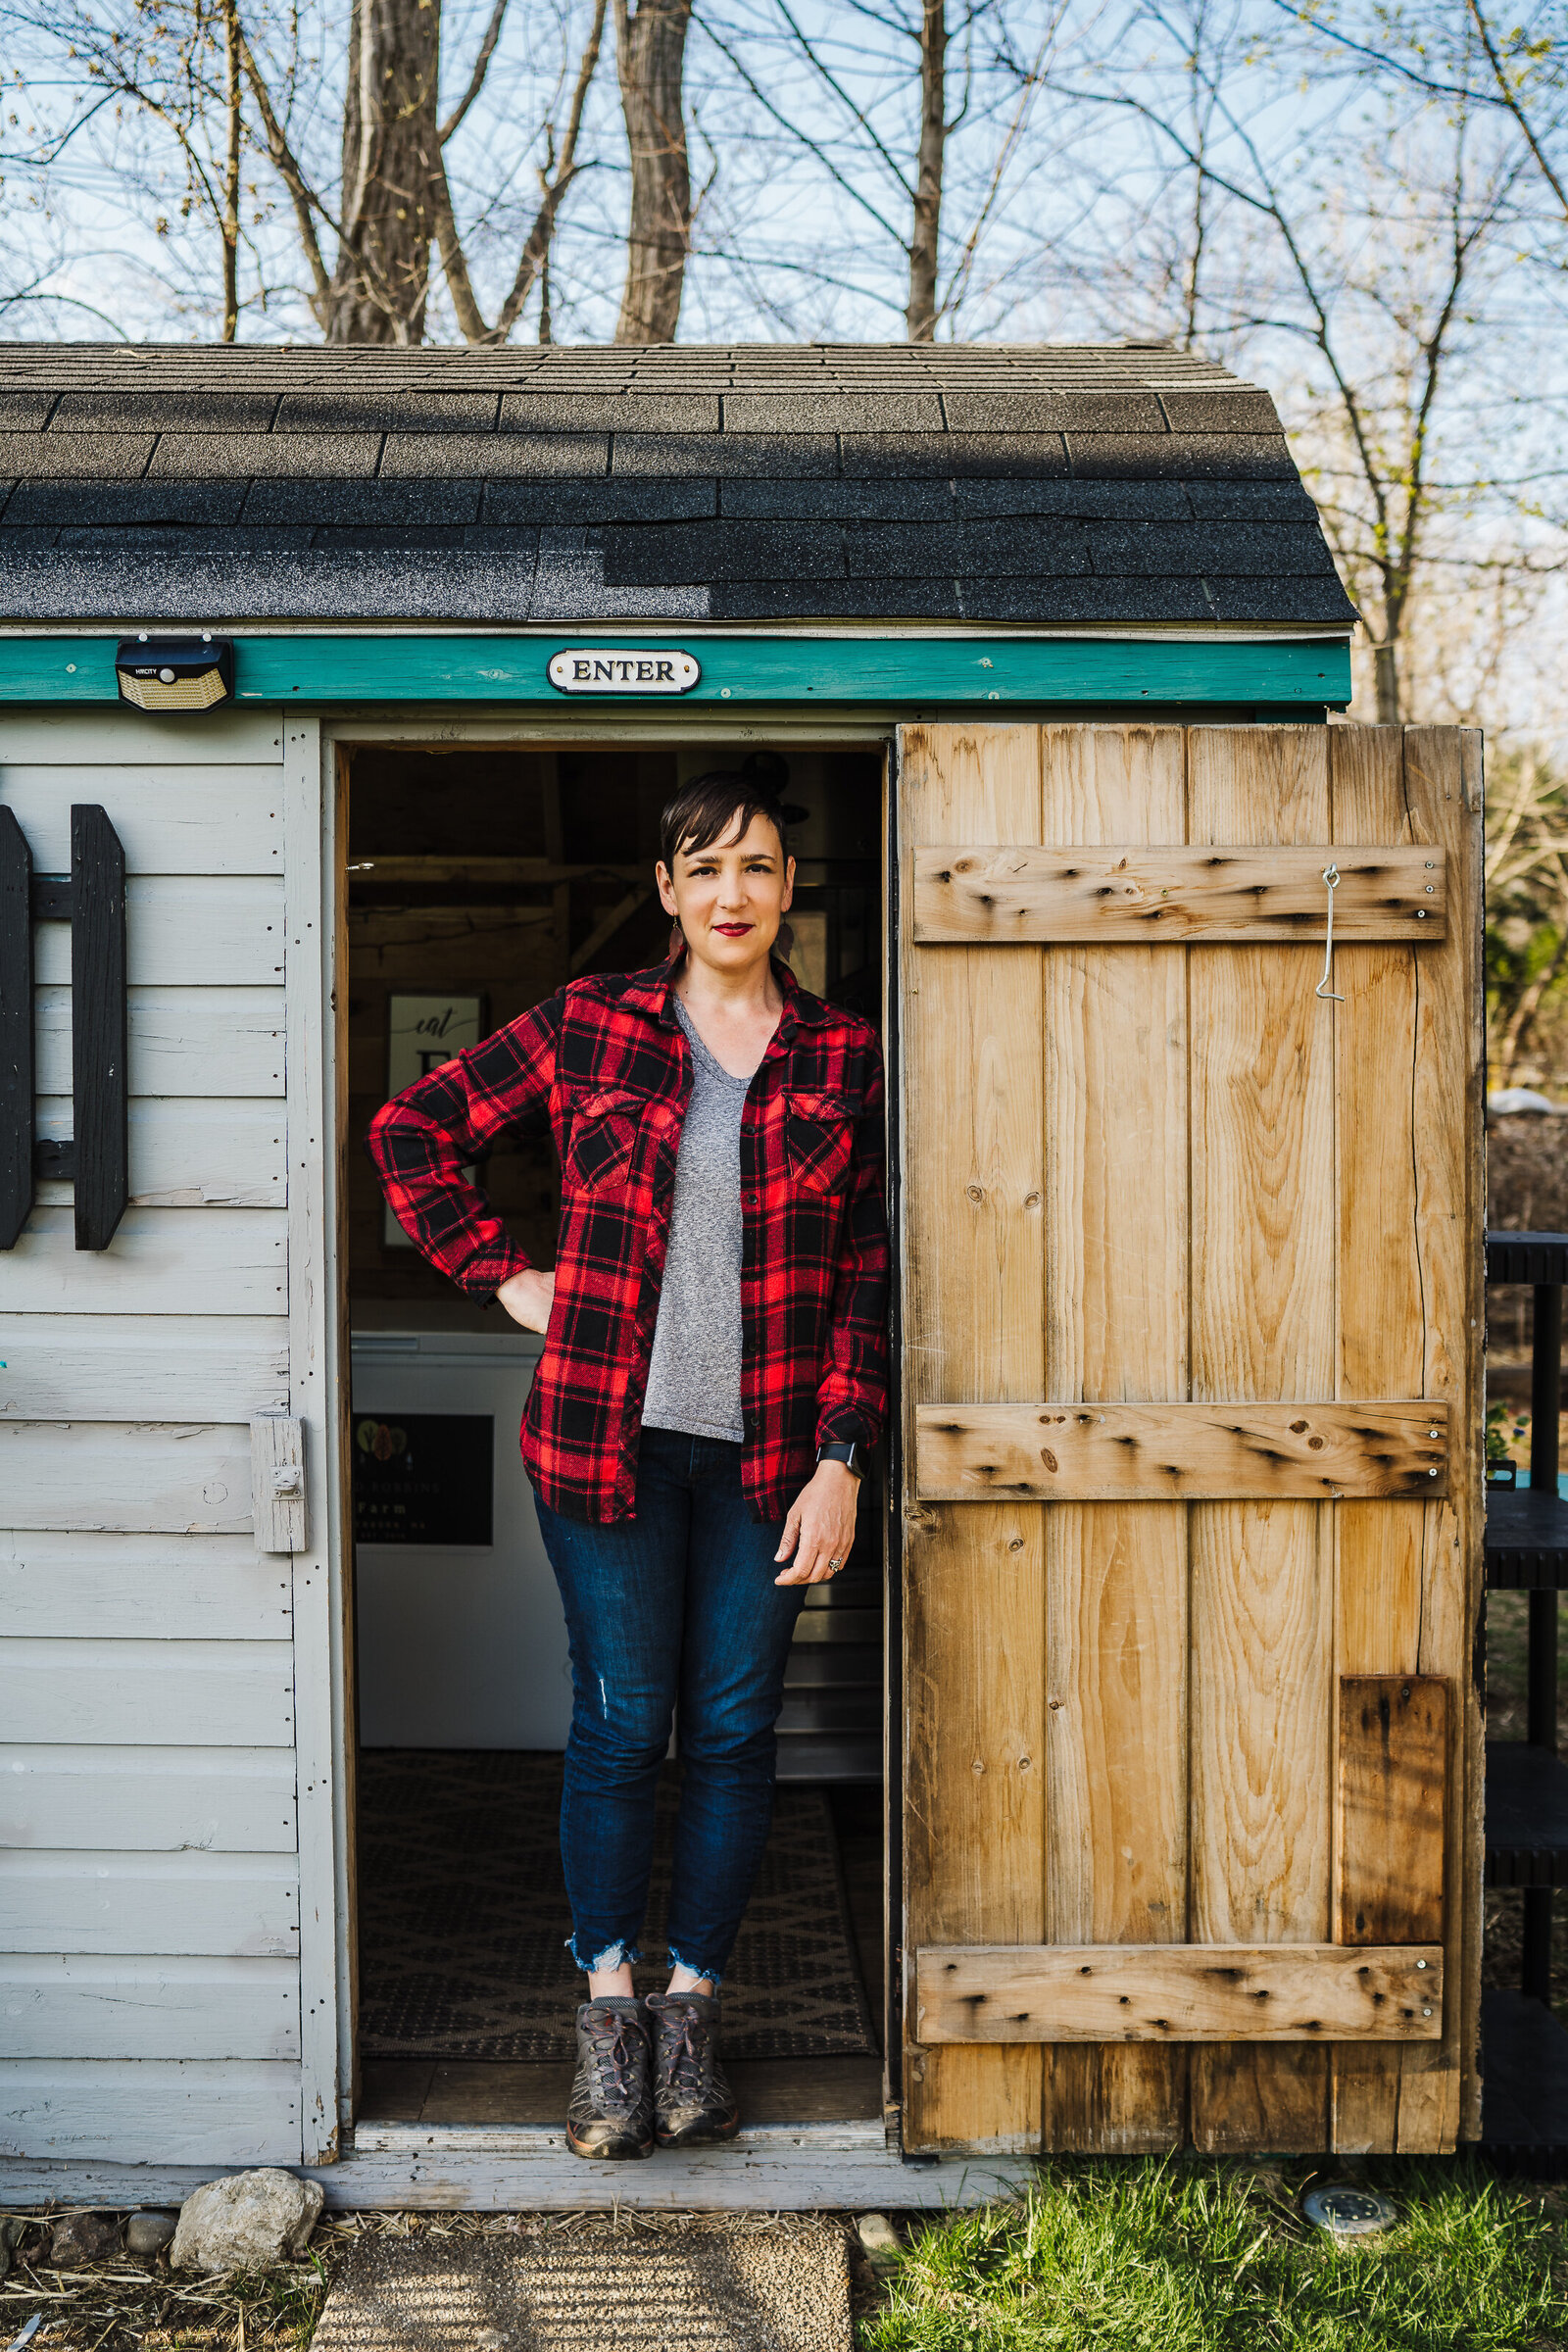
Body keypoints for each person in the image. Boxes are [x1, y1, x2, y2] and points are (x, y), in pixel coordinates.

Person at [368, 768, 889, 2161]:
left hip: (773, 1456)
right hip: (604, 1440)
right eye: (705, 868)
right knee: (621, 1721)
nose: (733, 894)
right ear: (666, 890)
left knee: (730, 1732)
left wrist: (844, 1455)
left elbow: (869, 1275)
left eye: (760, 869)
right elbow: (411, 1132)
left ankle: (693, 2014)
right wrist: (501, 1274)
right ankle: (607, 2021)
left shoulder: (844, 1057)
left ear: (789, 891)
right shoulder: (590, 1023)